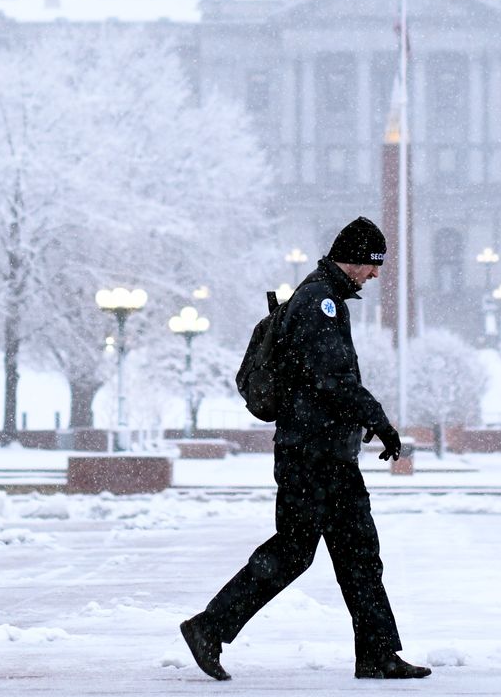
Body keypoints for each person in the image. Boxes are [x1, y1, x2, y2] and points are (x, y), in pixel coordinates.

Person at [181, 216, 431, 682]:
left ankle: (378, 654)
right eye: (371, 266)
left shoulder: (326, 298)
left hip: (327, 454)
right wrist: (378, 418)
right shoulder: (319, 302)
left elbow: (331, 380)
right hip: (310, 457)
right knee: (296, 550)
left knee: (358, 553)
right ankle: (209, 627)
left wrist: (366, 422)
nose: (374, 275)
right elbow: (331, 378)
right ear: (352, 259)